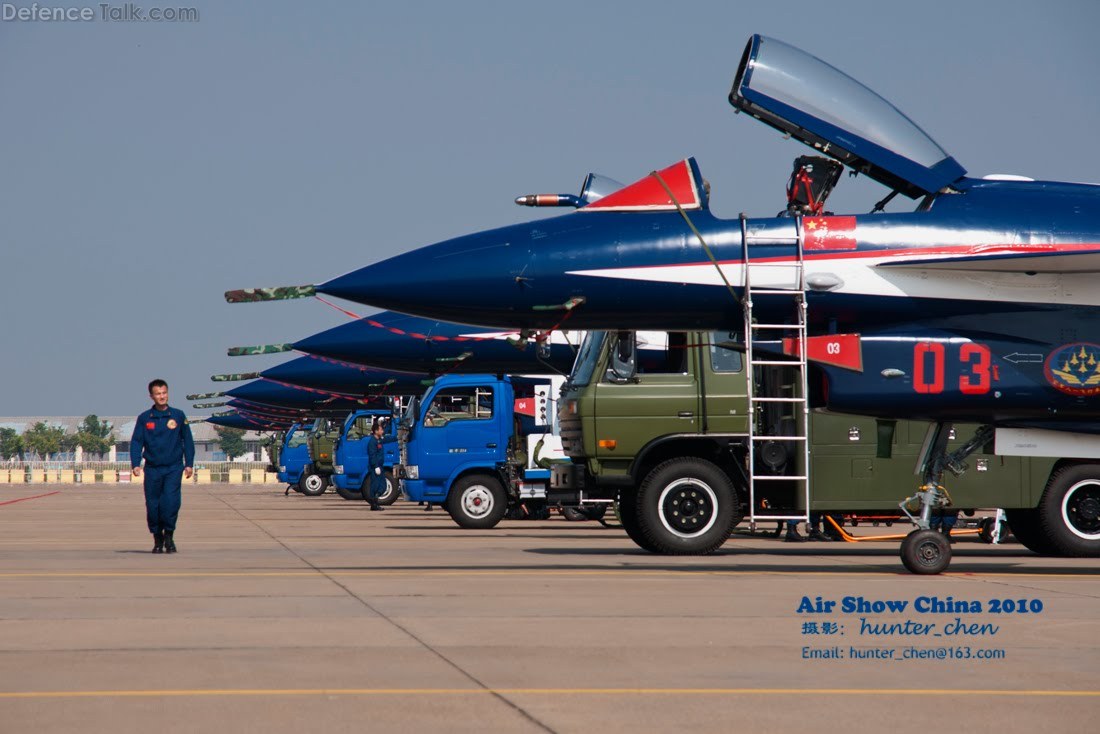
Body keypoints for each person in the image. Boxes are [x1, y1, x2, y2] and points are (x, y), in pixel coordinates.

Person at [130, 379, 194, 553]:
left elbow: (187, 441)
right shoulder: (144, 418)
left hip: (173, 468)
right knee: (153, 505)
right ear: (151, 396)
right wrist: (136, 464)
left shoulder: (178, 416)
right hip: (153, 469)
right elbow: (136, 442)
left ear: (168, 393)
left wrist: (189, 464)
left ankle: (169, 537)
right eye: (158, 393)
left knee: (171, 503)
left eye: (164, 392)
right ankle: (157, 539)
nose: (162, 396)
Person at [365, 421, 387, 511]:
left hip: (380, 466)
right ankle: (374, 505)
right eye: (381, 430)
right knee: (375, 486)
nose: (382, 431)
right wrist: (375, 466)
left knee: (382, 486)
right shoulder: (372, 442)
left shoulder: (379, 440)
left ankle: (375, 503)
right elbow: (372, 455)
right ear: (376, 431)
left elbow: (388, 439)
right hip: (376, 467)